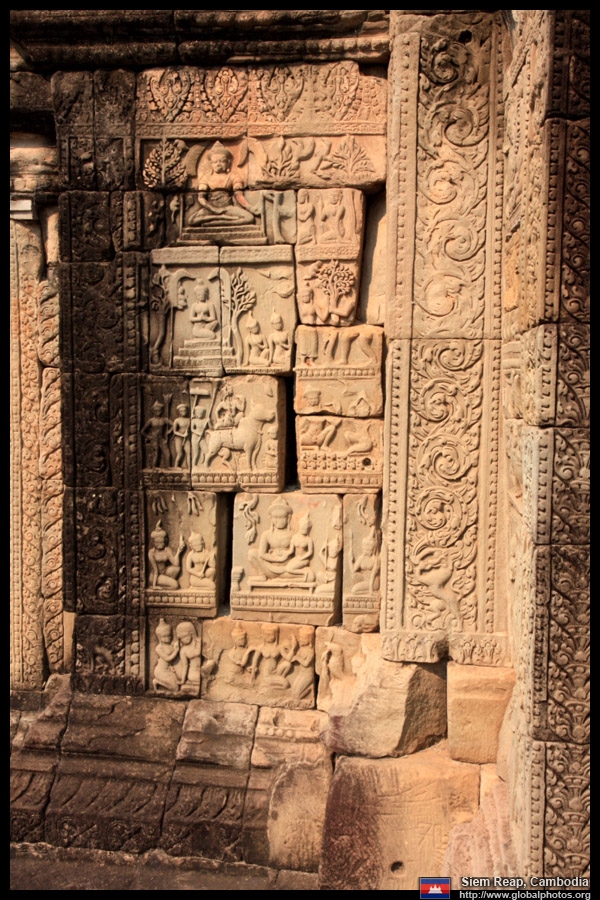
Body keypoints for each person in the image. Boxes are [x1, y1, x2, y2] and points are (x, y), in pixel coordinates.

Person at [188, 142, 255, 226]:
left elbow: (239, 196)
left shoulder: (233, 176)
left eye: (222, 161)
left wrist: (250, 207)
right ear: (211, 163)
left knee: (249, 218)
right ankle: (225, 218)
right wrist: (214, 209)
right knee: (191, 221)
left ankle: (219, 221)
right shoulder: (206, 178)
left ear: (228, 162)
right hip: (210, 208)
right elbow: (201, 198)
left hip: (227, 208)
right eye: (215, 162)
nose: (218, 164)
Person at [147, 521, 185, 590]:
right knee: (175, 585)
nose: (160, 544)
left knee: (177, 568)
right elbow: (155, 570)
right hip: (155, 576)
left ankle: (167, 581)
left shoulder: (167, 550)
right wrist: (154, 586)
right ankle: (164, 585)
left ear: (165, 541)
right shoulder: (151, 553)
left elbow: (175, 563)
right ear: (154, 542)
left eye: (162, 542)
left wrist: (179, 551)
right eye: (157, 542)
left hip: (164, 572)